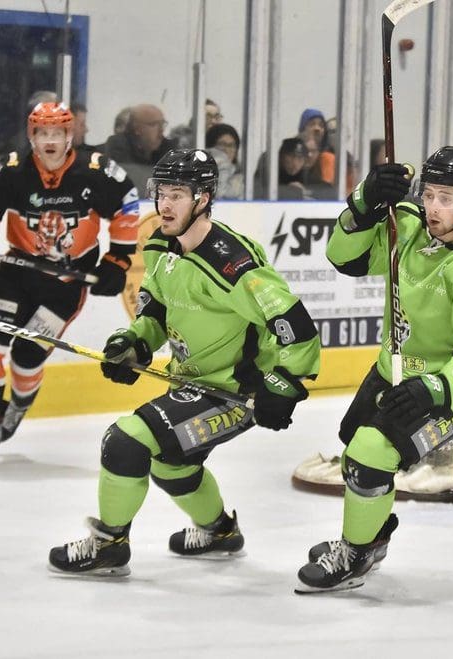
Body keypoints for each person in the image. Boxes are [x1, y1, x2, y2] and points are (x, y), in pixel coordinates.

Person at [48, 149, 321, 576]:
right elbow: (156, 309)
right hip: (191, 385)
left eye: (178, 194)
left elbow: (295, 324)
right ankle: (219, 532)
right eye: (161, 193)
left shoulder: (231, 262)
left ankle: (108, 545)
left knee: (125, 442)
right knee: (171, 465)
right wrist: (133, 342)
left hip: (234, 393)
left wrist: (284, 384)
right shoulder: (160, 245)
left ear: (204, 198)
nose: (165, 205)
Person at [296, 146, 453, 592]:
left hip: (449, 387)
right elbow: (346, 259)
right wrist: (363, 204)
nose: (434, 208)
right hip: (393, 369)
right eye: (429, 194)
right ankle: (373, 537)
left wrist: (434, 389)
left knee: (369, 455)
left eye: (447, 198)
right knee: (355, 453)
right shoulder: (410, 225)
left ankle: (354, 556)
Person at [0, 102, 139, 463]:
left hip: (66, 283)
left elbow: (127, 206)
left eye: (58, 133)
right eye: (43, 133)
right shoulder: (12, 170)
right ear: (32, 135)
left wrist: (117, 259)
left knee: (27, 354)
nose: (50, 141)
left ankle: (15, 410)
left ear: (70, 135)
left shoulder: (96, 170)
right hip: (16, 273)